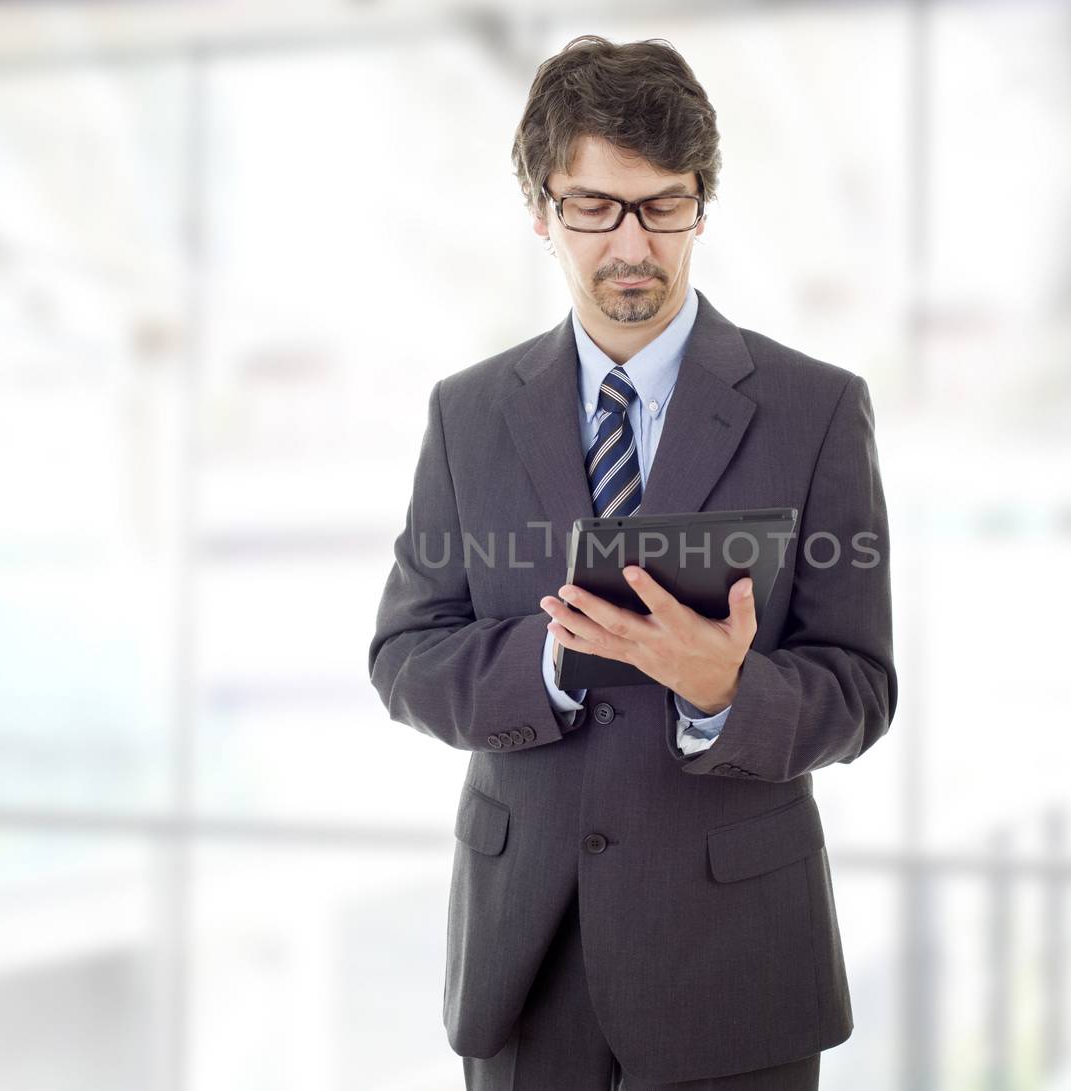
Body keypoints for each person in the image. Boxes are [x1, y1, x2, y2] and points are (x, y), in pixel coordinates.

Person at [368, 34, 896, 1091]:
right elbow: (405, 656)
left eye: (662, 206)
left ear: (702, 203)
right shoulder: (467, 414)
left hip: (734, 963)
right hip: (526, 957)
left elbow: (862, 683)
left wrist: (726, 692)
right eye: (594, 207)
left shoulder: (816, 410)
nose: (631, 246)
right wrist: (555, 662)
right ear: (540, 210)